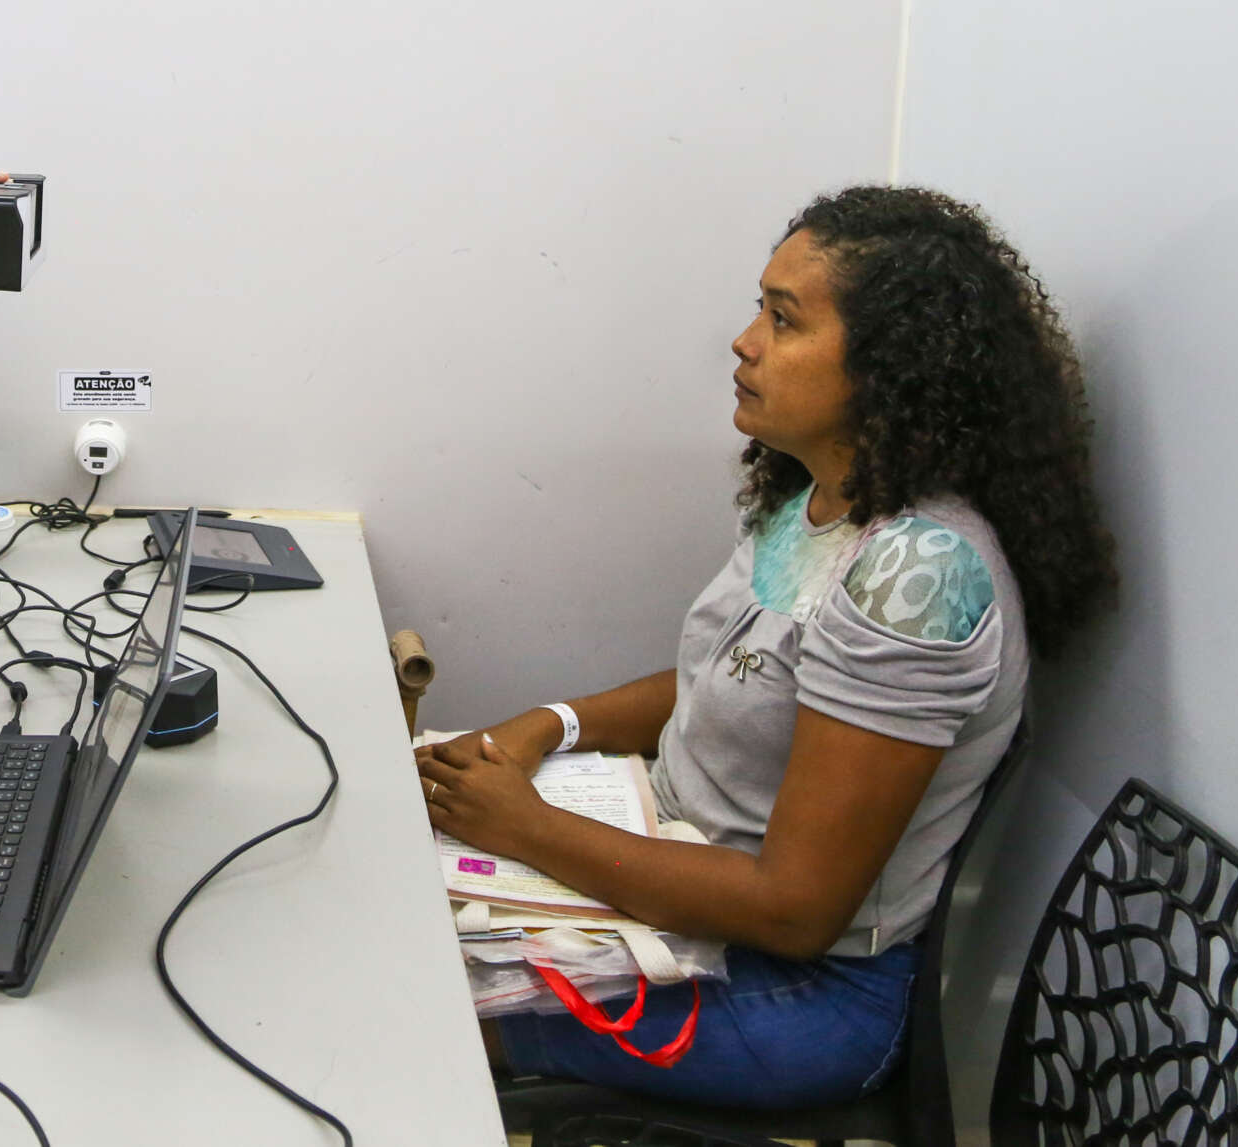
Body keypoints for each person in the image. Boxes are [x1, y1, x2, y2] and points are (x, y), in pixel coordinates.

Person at [418, 185, 1115, 1104]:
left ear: (890, 365)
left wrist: (525, 825)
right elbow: (728, 674)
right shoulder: (818, 496)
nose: (745, 342)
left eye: (784, 321)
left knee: (413, 1016)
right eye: (760, 307)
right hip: (676, 873)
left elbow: (795, 908)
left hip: (797, 990)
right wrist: (549, 725)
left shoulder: (920, 575)